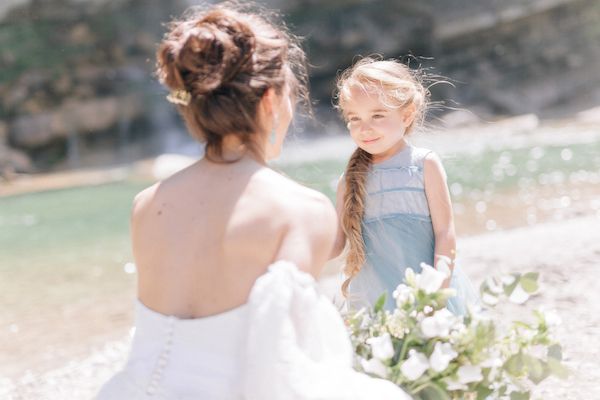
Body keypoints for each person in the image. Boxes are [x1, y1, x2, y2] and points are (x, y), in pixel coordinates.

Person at [97, 4, 410, 399]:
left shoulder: (146, 204)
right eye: (291, 95)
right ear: (269, 102)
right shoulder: (300, 209)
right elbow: (281, 363)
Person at [331, 57, 479, 315]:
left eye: (377, 115)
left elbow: (445, 232)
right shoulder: (349, 181)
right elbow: (334, 244)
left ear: (407, 114)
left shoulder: (424, 164)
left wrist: (438, 289)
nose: (365, 128)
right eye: (354, 118)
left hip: (427, 291)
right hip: (373, 299)